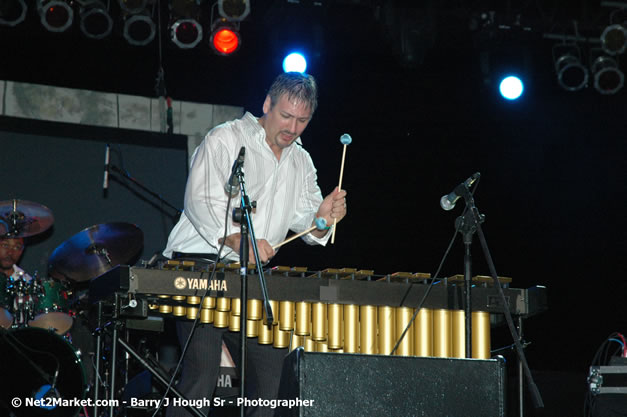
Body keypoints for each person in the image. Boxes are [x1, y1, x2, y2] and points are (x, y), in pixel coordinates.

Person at [163, 72, 347, 417]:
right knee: (202, 375)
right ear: (267, 105)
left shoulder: (301, 162)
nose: (293, 128)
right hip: (203, 266)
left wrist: (323, 218)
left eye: (303, 121)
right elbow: (200, 200)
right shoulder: (226, 139)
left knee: (274, 378)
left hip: (253, 277)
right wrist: (238, 239)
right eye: (286, 116)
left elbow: (311, 228)